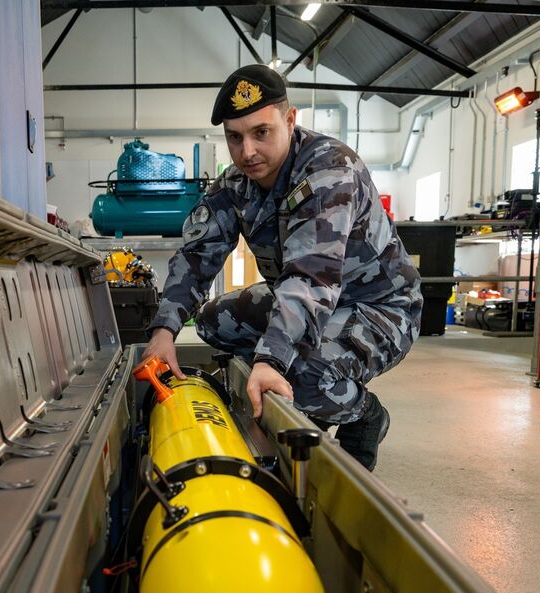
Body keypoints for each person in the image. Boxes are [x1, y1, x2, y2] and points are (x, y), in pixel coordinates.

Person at [140, 65, 422, 471]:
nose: (247, 152)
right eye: (234, 137)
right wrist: (164, 330)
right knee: (213, 322)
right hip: (308, 298)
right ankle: (302, 393)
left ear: (290, 120)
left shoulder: (329, 172)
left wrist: (270, 361)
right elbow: (195, 257)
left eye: (261, 132)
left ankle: (364, 415)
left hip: (379, 306)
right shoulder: (235, 184)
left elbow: (311, 277)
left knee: (304, 376)